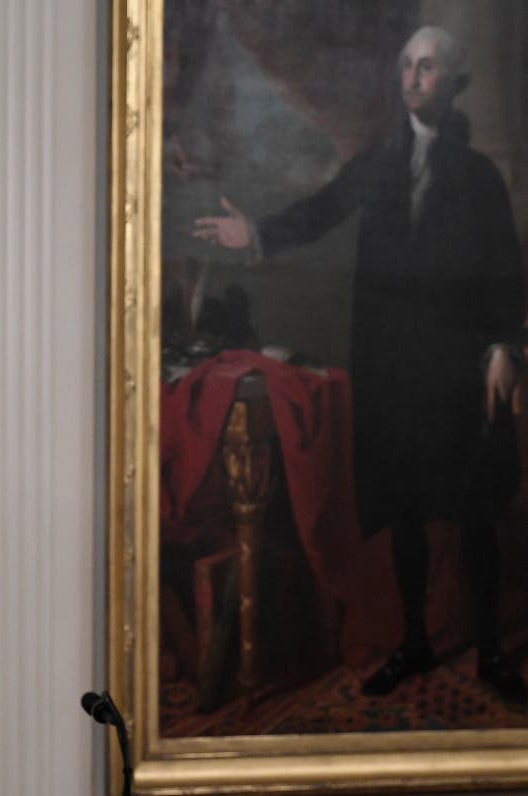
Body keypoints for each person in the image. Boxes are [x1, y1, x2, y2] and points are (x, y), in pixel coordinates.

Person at [193, 26, 527, 703]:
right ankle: (413, 640)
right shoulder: (378, 161)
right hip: (392, 369)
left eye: (426, 67)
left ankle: (492, 648)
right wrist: (255, 233)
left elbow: (503, 270)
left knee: (474, 514)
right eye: (404, 65)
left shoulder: (478, 175)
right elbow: (321, 210)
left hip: (458, 371)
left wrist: (502, 347)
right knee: (403, 509)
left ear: (452, 81)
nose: (410, 77)